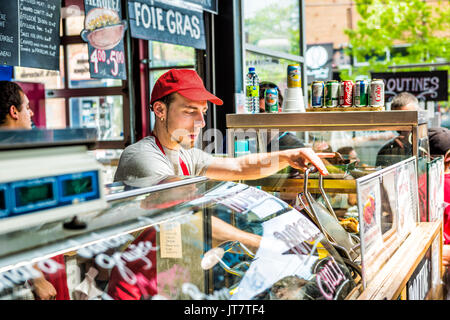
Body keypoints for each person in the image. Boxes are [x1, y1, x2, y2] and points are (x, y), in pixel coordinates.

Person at [114, 69, 328, 183]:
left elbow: (240, 167)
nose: (201, 122)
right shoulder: (142, 156)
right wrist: (261, 243)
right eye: (190, 111)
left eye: (203, 112)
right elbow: (183, 214)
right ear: (160, 110)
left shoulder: (187, 156)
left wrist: (289, 156)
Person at [375, 92, 420, 167]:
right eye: (398, 118)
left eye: (408, 117)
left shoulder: (427, 144)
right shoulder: (387, 151)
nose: (404, 122)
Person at [258, 81, 305, 152]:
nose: (263, 117)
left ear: (279, 110)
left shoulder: (293, 145)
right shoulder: (252, 141)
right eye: (260, 112)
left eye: (269, 111)